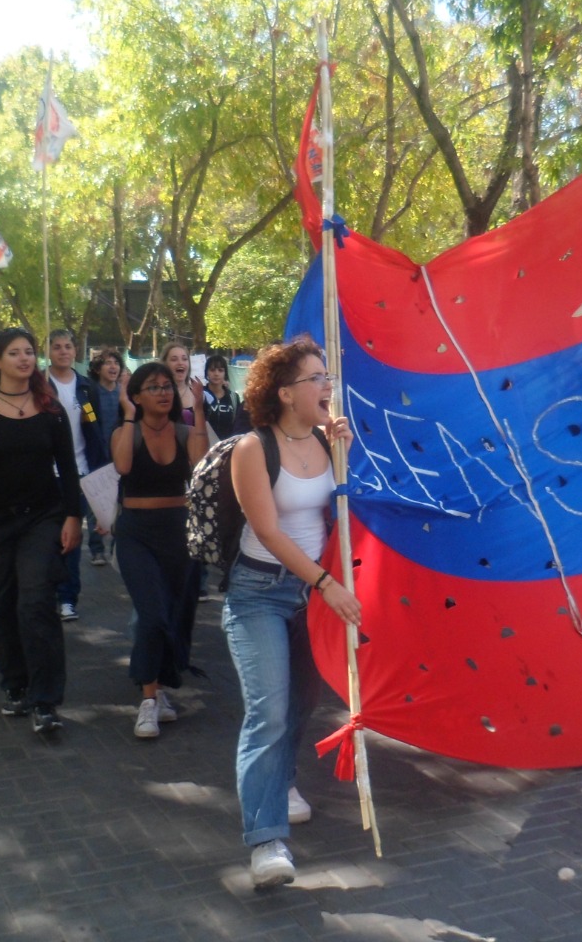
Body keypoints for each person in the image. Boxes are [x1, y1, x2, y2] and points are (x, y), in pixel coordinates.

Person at [224, 336, 358, 888]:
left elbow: (351, 507)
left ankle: (279, 781)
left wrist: (351, 450)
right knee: (269, 712)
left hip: (312, 595)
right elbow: (269, 532)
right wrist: (325, 582)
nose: (327, 386)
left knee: (302, 704)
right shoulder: (253, 449)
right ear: (285, 393)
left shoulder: (330, 442)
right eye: (315, 378)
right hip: (260, 592)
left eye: (325, 376)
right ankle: (266, 841)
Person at [0, 328, 83, 735]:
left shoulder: (51, 409)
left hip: (43, 517)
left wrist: (72, 517)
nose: (25, 359)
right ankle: (16, 686)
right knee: (3, 603)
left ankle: (46, 701)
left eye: (29, 351)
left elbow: (67, 468)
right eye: (14, 353)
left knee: (36, 600)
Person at [112, 361, 209, 739]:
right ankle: (148, 700)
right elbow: (121, 465)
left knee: (174, 614)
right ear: (136, 395)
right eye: (152, 387)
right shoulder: (128, 431)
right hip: (136, 533)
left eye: (167, 385)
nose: (163, 392)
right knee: (151, 614)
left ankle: (162, 688)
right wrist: (127, 414)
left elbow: (200, 464)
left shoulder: (185, 430)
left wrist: (198, 409)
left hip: (178, 532)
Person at [44, 329, 107, 619]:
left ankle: (68, 598)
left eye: (68, 346)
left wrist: (87, 417)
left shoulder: (85, 386)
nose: (63, 352)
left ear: (75, 351)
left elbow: (94, 419)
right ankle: (47, 592)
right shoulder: (40, 385)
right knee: (47, 537)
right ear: (49, 352)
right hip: (45, 472)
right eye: (57, 347)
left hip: (79, 471)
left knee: (70, 537)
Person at [87, 348, 128, 565]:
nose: (113, 367)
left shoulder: (123, 393)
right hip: (97, 454)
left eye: (116, 363)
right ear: (97, 369)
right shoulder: (90, 394)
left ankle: (115, 547)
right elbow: (89, 421)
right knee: (96, 502)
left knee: (119, 503)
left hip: (119, 455)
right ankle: (96, 548)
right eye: (107, 363)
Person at [203, 354, 244, 442]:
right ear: (207, 372)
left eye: (220, 370)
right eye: (212, 370)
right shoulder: (200, 394)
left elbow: (237, 425)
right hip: (204, 446)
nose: (216, 374)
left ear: (225, 373)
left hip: (226, 447)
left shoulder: (233, 397)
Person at [162, 343, 196, 429]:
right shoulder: (157, 395)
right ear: (164, 364)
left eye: (184, 359)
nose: (180, 363)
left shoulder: (199, 395)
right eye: (174, 360)